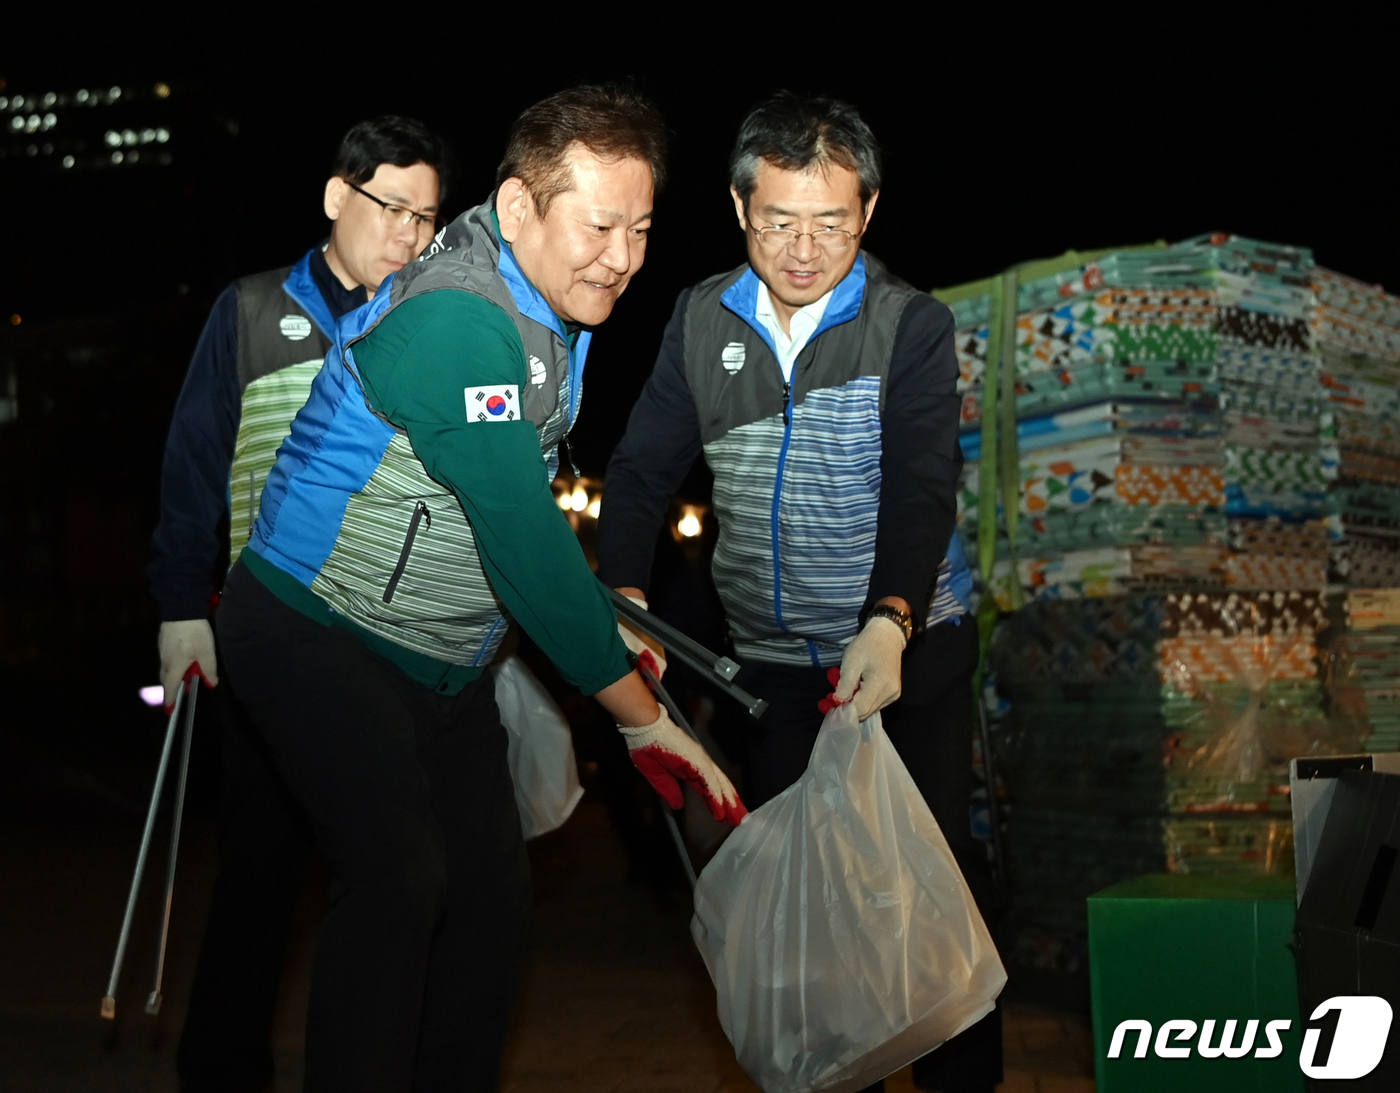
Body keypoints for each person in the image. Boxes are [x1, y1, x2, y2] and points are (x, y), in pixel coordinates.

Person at [215, 84, 744, 1093]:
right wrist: (637, 718)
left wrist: (606, 624)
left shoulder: (552, 317)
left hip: (443, 665)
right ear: (516, 211)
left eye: (639, 229)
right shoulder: (456, 319)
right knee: (399, 876)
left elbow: (531, 524)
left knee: (492, 911)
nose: (622, 257)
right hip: (311, 628)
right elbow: (515, 533)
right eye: (598, 226)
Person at [595, 92, 1001, 1093]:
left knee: (926, 886)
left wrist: (889, 621)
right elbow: (641, 473)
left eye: (829, 221)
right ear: (739, 209)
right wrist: (622, 596)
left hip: (909, 653)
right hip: (771, 675)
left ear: (865, 211)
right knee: (804, 909)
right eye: (778, 220)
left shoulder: (906, 323)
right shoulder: (699, 320)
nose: (804, 247)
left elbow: (919, 486)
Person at [147, 115, 453, 1093]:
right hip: (268, 648)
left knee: (395, 880)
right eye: (389, 208)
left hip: (392, 653)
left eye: (427, 217)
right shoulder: (247, 312)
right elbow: (192, 465)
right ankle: (221, 1070)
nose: (407, 234)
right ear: (336, 198)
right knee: (259, 879)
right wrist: (177, 606)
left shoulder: (432, 325)